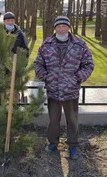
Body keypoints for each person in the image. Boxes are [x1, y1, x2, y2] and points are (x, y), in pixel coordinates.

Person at [34, 16, 94, 160]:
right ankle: (53, 143)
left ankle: (73, 145)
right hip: (53, 90)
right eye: (58, 26)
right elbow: (38, 64)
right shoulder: (46, 45)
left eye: (64, 26)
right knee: (54, 119)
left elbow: (89, 64)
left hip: (71, 91)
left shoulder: (79, 45)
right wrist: (45, 76)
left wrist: (78, 77)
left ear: (69, 27)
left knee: (72, 120)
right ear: (55, 28)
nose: (61, 29)